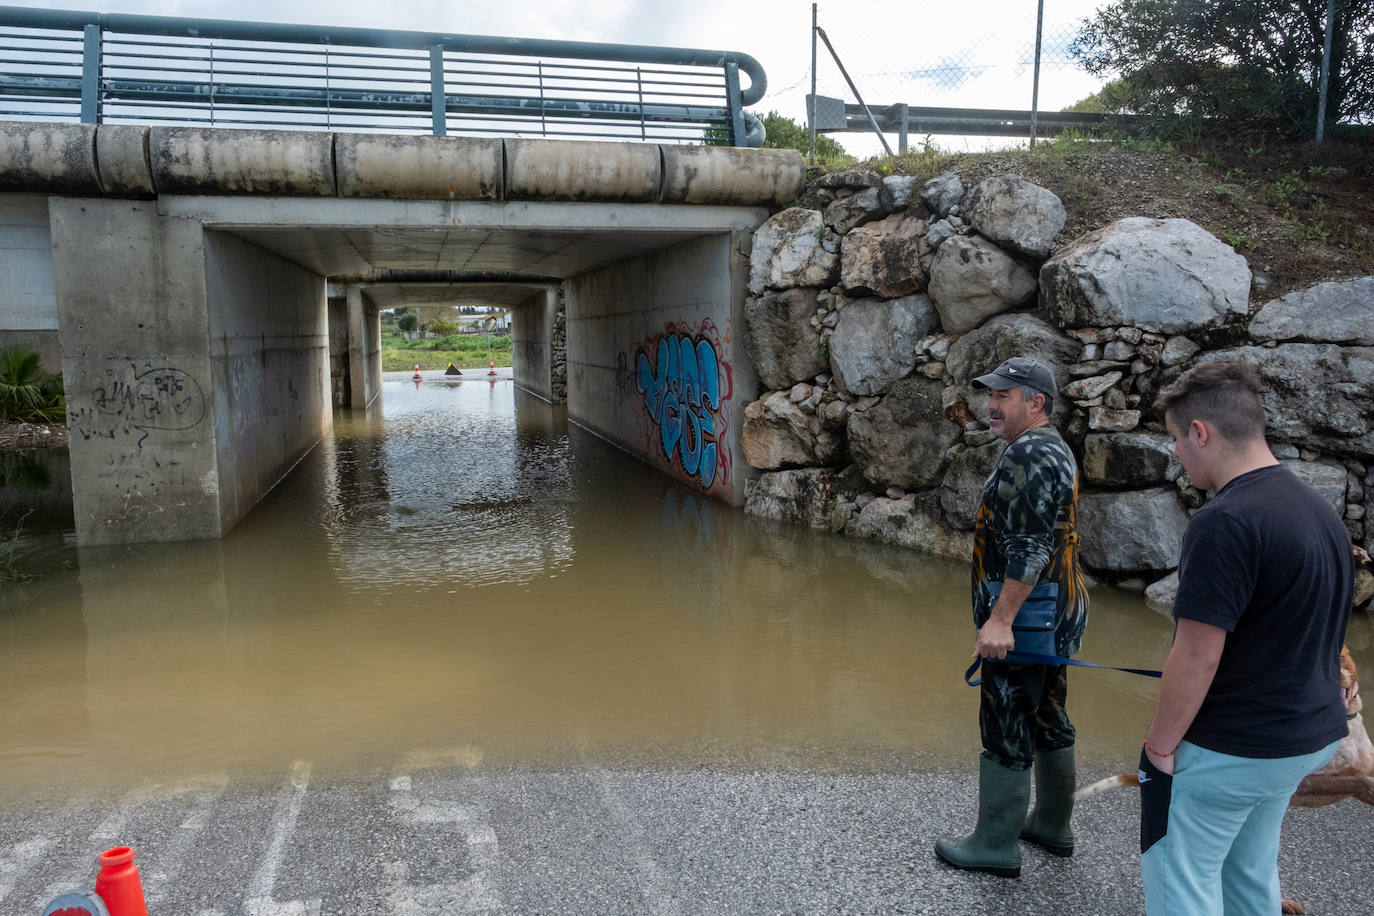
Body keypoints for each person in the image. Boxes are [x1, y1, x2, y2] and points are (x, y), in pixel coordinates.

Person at [1140, 359, 1352, 915]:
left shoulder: (1225, 520)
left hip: (1234, 746)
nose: (1176, 454)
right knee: (1248, 871)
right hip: (1303, 736)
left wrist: (1158, 749)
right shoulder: (1318, 511)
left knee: (1181, 876)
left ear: (1200, 432)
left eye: (1175, 439)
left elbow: (1197, 654)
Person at [935, 356, 1089, 878]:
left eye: (1003, 396)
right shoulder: (1053, 447)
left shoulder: (1028, 453)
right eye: (991, 395)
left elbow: (1028, 548)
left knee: (1006, 720)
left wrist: (1000, 621)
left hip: (1025, 619)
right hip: (1055, 612)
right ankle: (1050, 825)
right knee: (1048, 714)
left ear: (1036, 401)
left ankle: (995, 844)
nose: (990, 406)